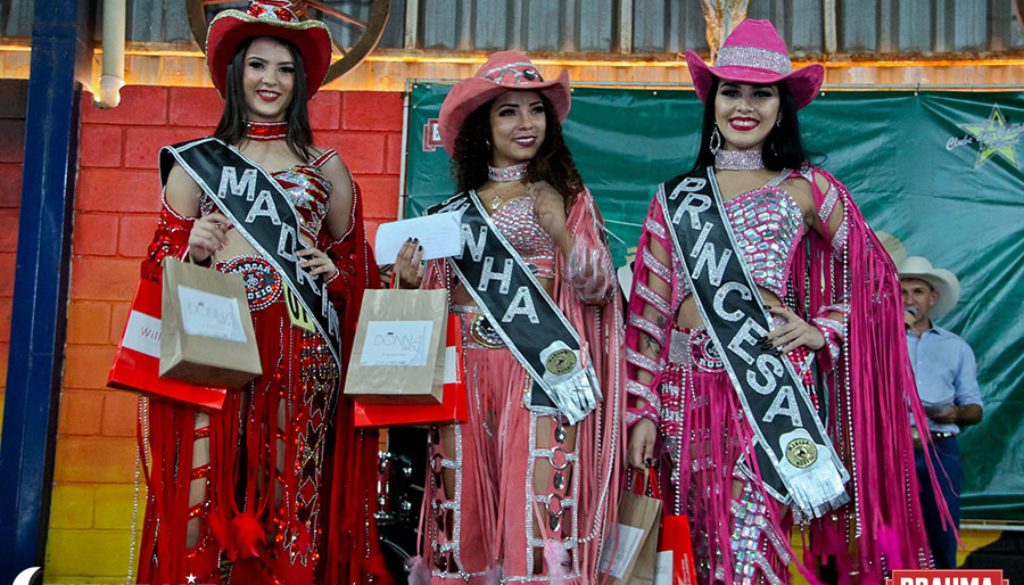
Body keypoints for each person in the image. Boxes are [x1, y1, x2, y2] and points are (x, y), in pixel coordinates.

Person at [624, 20, 937, 584]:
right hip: (683, 392)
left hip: (768, 392)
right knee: (687, 550)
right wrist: (640, 412)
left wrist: (825, 330)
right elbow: (648, 310)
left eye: (761, 92)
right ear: (712, 101)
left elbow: (876, 281)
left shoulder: (808, 187)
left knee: (750, 550)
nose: (745, 105)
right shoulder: (676, 198)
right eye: (731, 90)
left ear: (782, 105)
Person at [136, 2, 387, 583]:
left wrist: (337, 273)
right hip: (211, 340)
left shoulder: (328, 166)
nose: (270, 80)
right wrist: (191, 248)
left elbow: (359, 274)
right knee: (200, 493)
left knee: (287, 497)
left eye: (285, 69)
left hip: (301, 350)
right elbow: (155, 268)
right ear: (235, 74)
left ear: (301, 83)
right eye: (257, 65)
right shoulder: (197, 163)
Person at [393, 50, 623, 584]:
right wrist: (406, 283)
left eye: (535, 110)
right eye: (508, 112)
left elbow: (599, 288)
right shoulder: (452, 215)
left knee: (537, 506)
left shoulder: (567, 196)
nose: (526, 123)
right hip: (465, 372)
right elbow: (432, 301)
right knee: (462, 504)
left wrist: (562, 231)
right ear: (483, 125)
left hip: (540, 368)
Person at [901, 255, 983, 569]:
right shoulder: (880, 341)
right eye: (903, 293)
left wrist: (955, 414)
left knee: (942, 534)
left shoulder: (956, 347)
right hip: (894, 449)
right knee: (891, 535)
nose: (910, 300)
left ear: (932, 298)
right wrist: (894, 334)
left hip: (940, 447)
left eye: (917, 292)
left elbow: (975, 409)